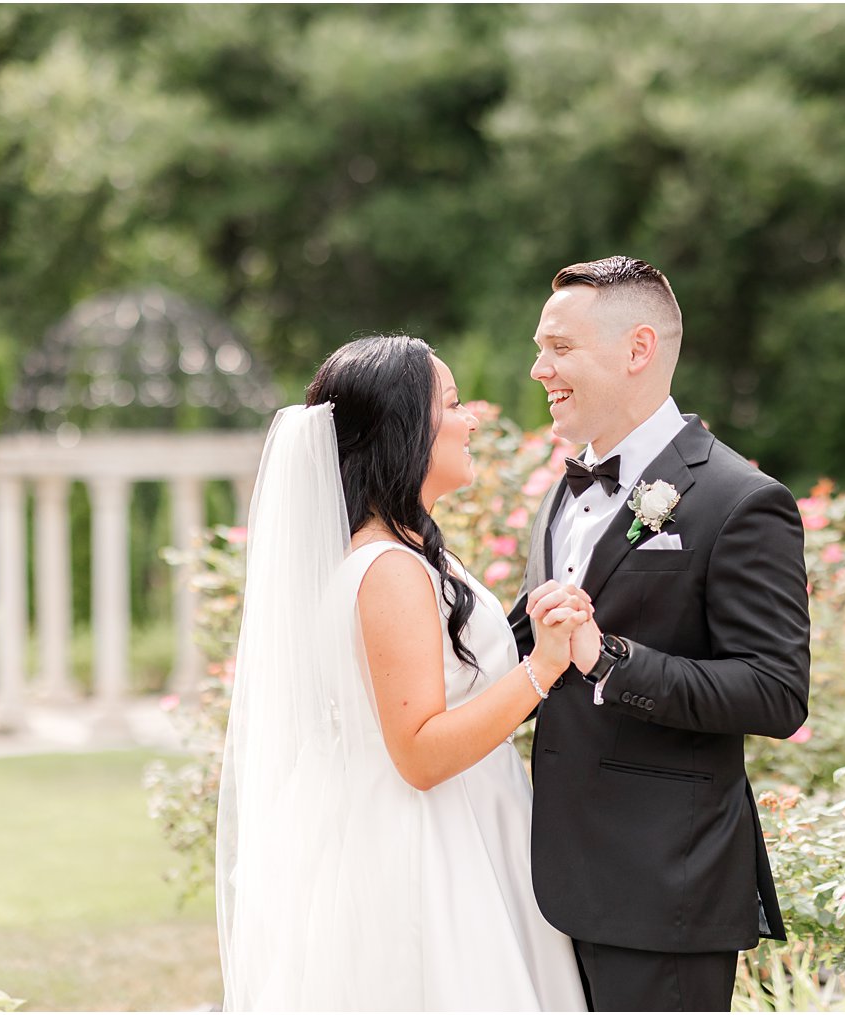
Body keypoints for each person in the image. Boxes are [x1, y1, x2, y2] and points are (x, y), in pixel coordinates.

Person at [216, 334, 590, 1011]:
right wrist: (542, 669)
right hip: (429, 851)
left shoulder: (405, 553)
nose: (472, 418)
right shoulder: (387, 568)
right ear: (405, 430)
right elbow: (418, 751)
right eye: (451, 404)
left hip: (467, 829)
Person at [510, 256, 813, 1011]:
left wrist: (609, 659)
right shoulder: (562, 492)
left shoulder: (740, 499)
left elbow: (776, 692)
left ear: (637, 349)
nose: (539, 367)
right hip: (550, 883)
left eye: (561, 348)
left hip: (663, 891)